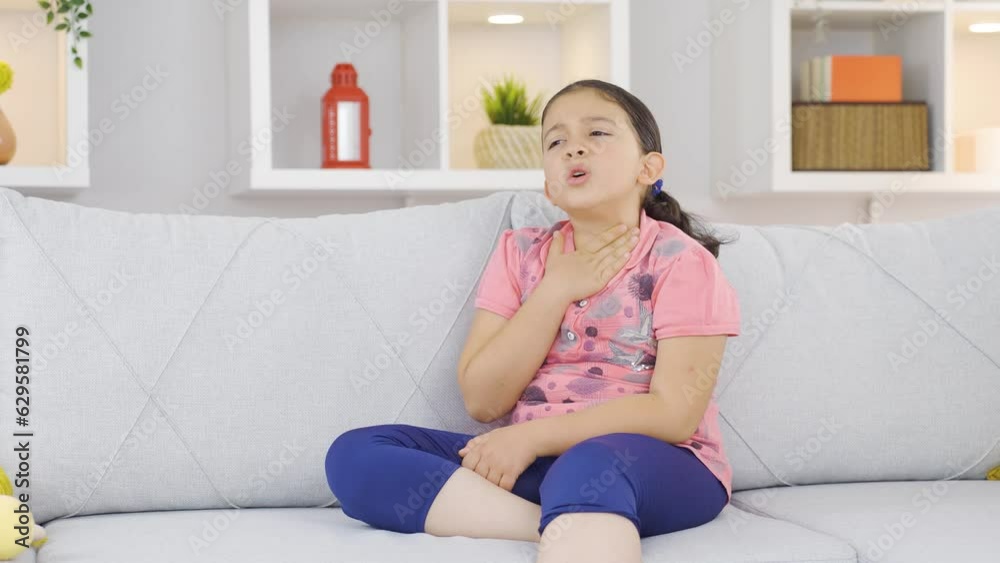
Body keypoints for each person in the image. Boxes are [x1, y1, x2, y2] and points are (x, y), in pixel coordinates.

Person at [325, 79, 742, 563]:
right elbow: (483, 400)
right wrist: (555, 289)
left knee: (589, 463)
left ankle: (577, 509)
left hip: (658, 464)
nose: (574, 147)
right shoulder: (519, 253)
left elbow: (674, 413)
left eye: (597, 133)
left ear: (648, 168)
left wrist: (528, 437)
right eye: (556, 141)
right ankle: (561, 518)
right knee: (356, 454)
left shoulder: (681, 261)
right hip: (536, 465)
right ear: (549, 185)